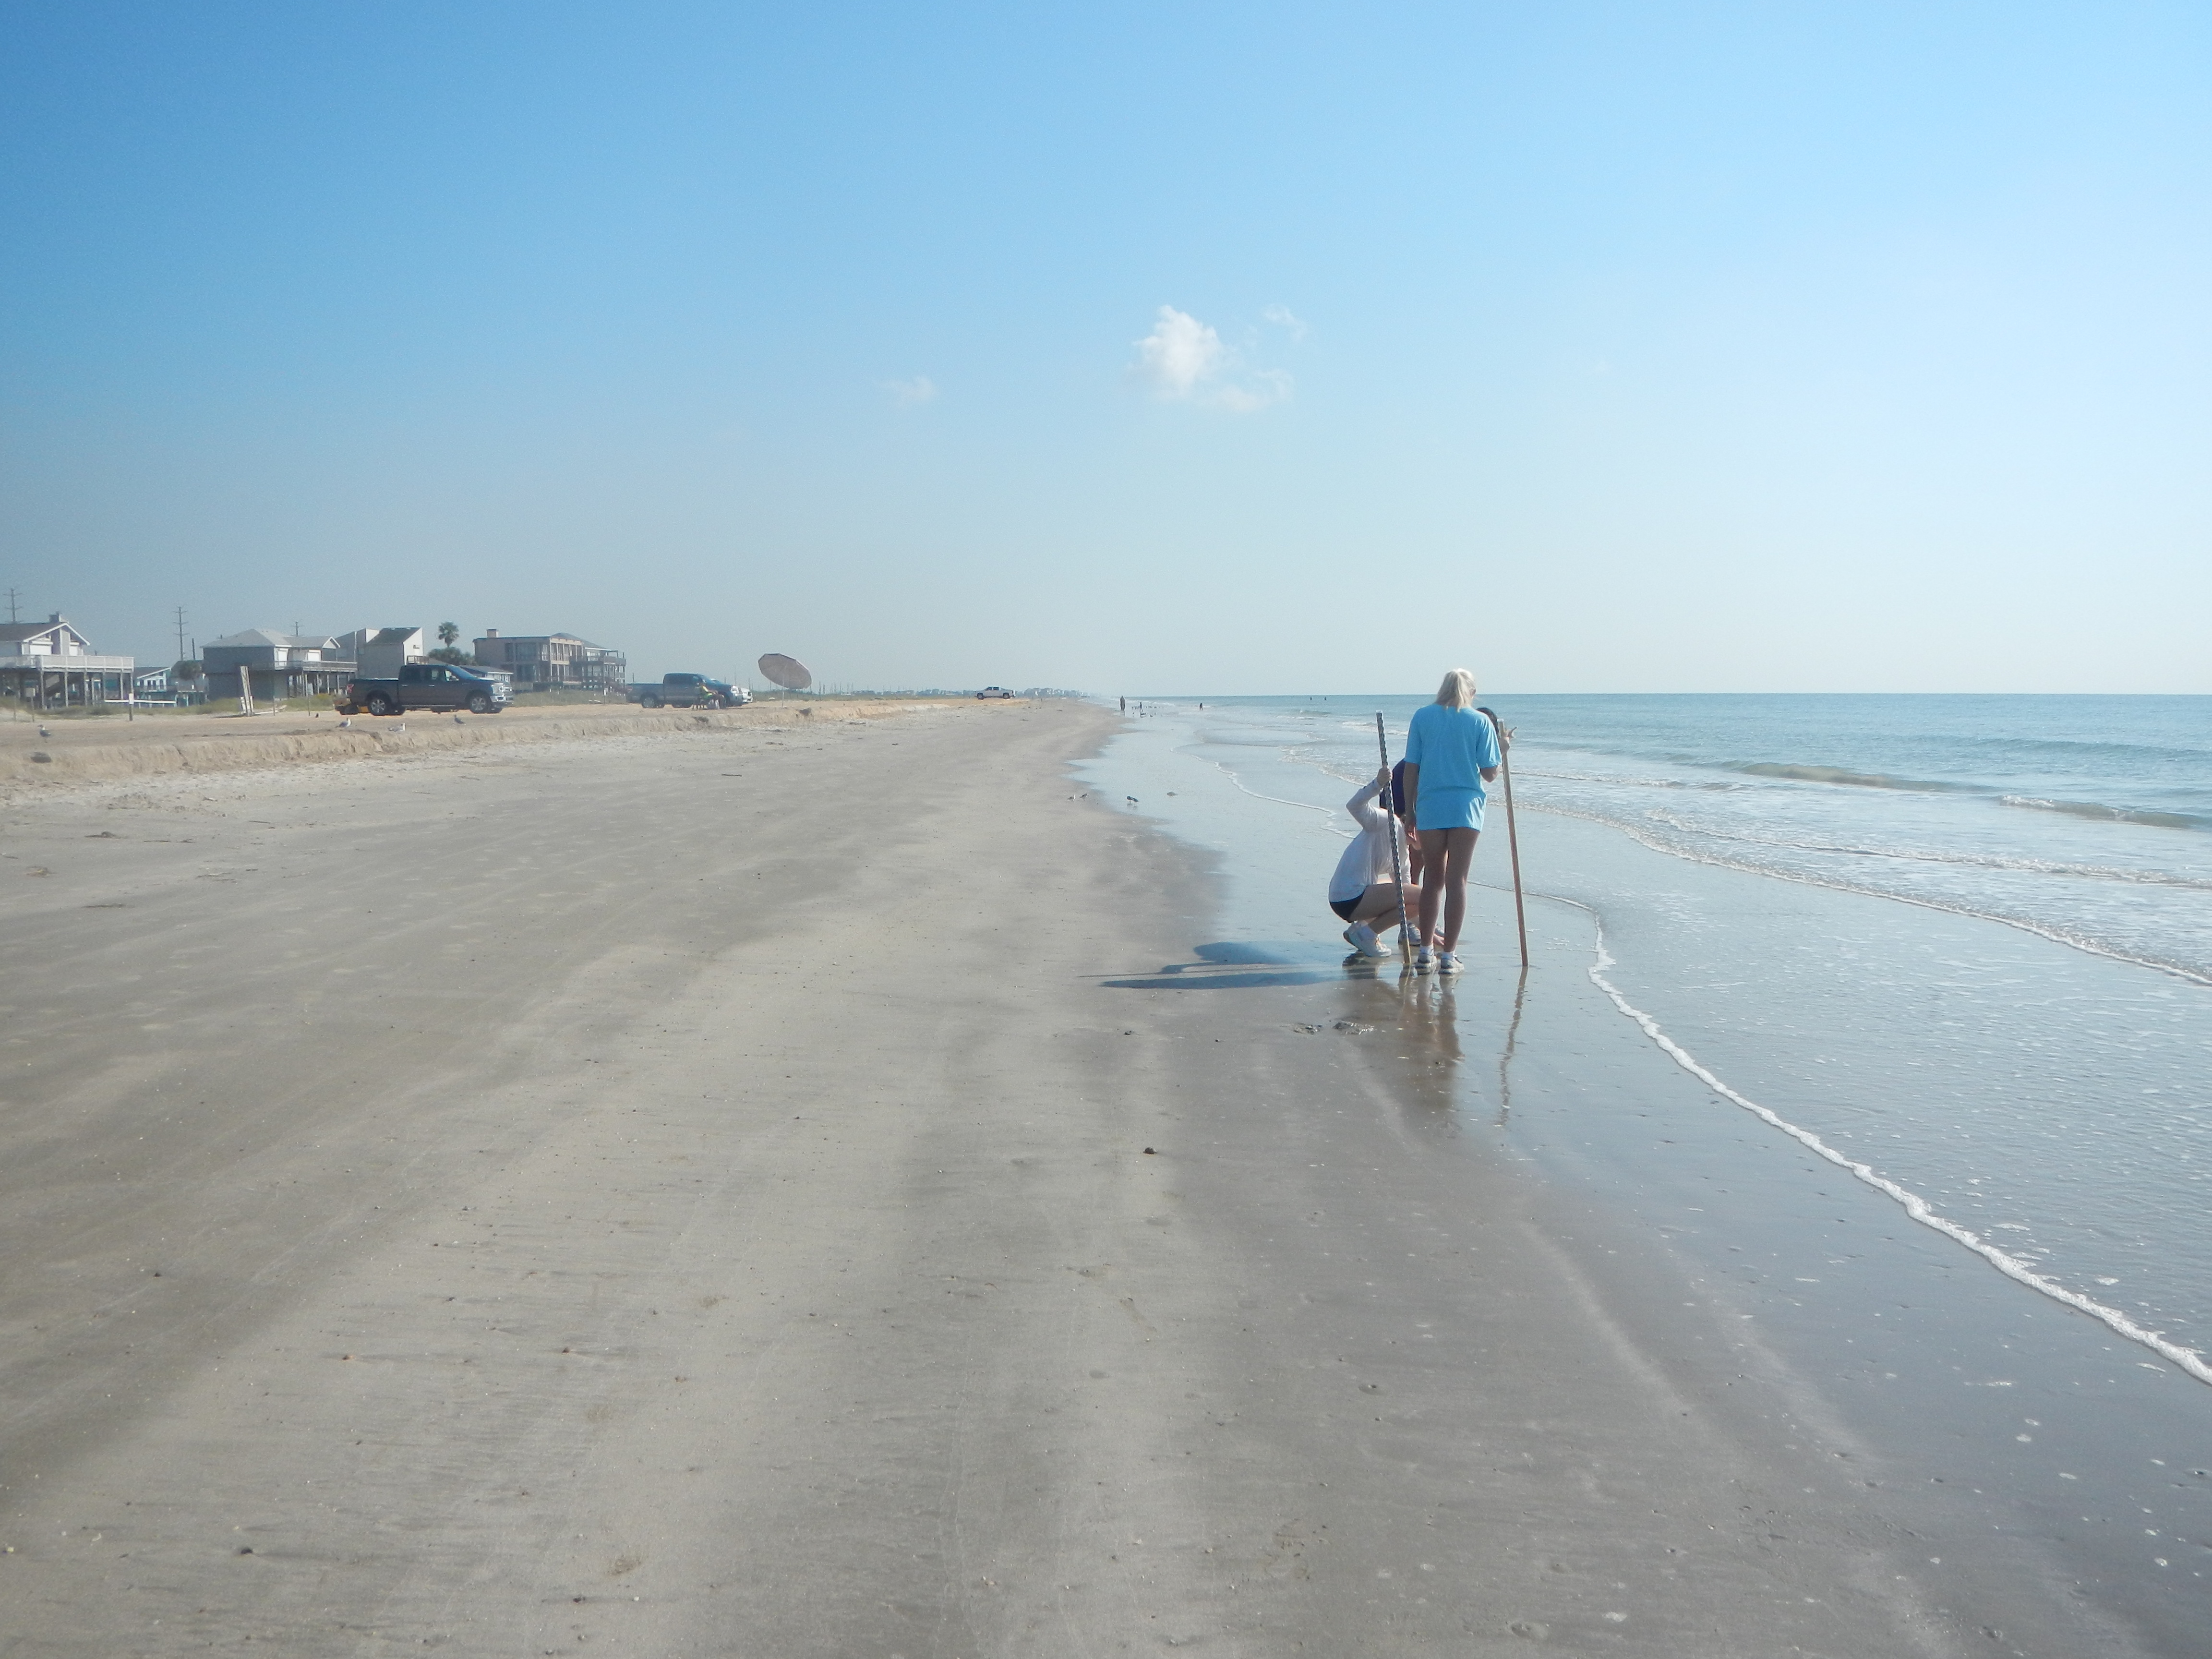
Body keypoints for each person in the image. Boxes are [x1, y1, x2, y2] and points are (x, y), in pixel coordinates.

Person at [1400, 668, 1504, 974]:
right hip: (1465, 809)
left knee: (1433, 880)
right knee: (1457, 881)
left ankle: (1426, 952)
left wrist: (1410, 810)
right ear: (1470, 693)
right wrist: (1502, 750)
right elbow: (1490, 773)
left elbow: (1411, 768)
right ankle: (1449, 956)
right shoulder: (1480, 722)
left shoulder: (1422, 717)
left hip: (1432, 806)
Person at [1328, 769, 1419, 959]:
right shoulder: (1386, 822)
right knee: (1426, 896)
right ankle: (1368, 935)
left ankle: (1360, 929)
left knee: (1414, 895)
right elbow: (1354, 806)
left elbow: (1410, 906)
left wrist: (1434, 938)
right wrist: (1377, 784)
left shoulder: (1403, 856)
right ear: (1413, 829)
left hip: (1353, 900)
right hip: (1348, 896)